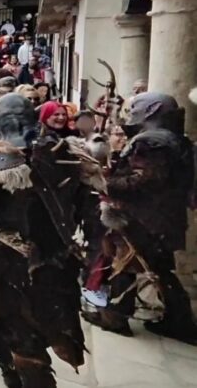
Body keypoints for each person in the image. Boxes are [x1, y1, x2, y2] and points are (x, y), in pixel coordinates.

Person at [0, 93, 94, 387]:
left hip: (13, 265)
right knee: (51, 318)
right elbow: (88, 209)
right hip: (60, 259)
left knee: (18, 330)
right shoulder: (66, 152)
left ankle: (26, 377)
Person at [83, 93, 197, 345]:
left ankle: (117, 317)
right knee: (150, 266)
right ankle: (177, 321)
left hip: (143, 217)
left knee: (126, 264)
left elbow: (142, 180)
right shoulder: (173, 140)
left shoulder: (153, 142)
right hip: (161, 217)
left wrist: (105, 182)